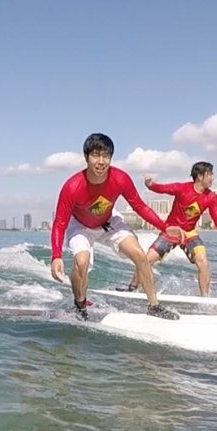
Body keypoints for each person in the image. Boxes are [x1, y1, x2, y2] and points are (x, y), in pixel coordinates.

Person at [50, 133, 185, 320]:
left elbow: (139, 206)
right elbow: (59, 223)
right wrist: (56, 256)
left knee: (139, 254)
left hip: (108, 223)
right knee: (81, 263)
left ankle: (153, 306)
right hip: (80, 225)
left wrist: (164, 227)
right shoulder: (72, 187)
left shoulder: (120, 178)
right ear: (86, 157)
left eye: (106, 156)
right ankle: (80, 304)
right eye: (96, 155)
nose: (101, 161)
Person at [118, 161, 217, 296]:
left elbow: (215, 214)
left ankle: (205, 299)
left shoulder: (211, 197)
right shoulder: (182, 188)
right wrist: (151, 185)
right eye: (210, 174)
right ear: (200, 176)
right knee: (147, 260)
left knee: (203, 261)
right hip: (171, 231)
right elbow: (163, 189)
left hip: (189, 233)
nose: (212, 177)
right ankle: (132, 288)